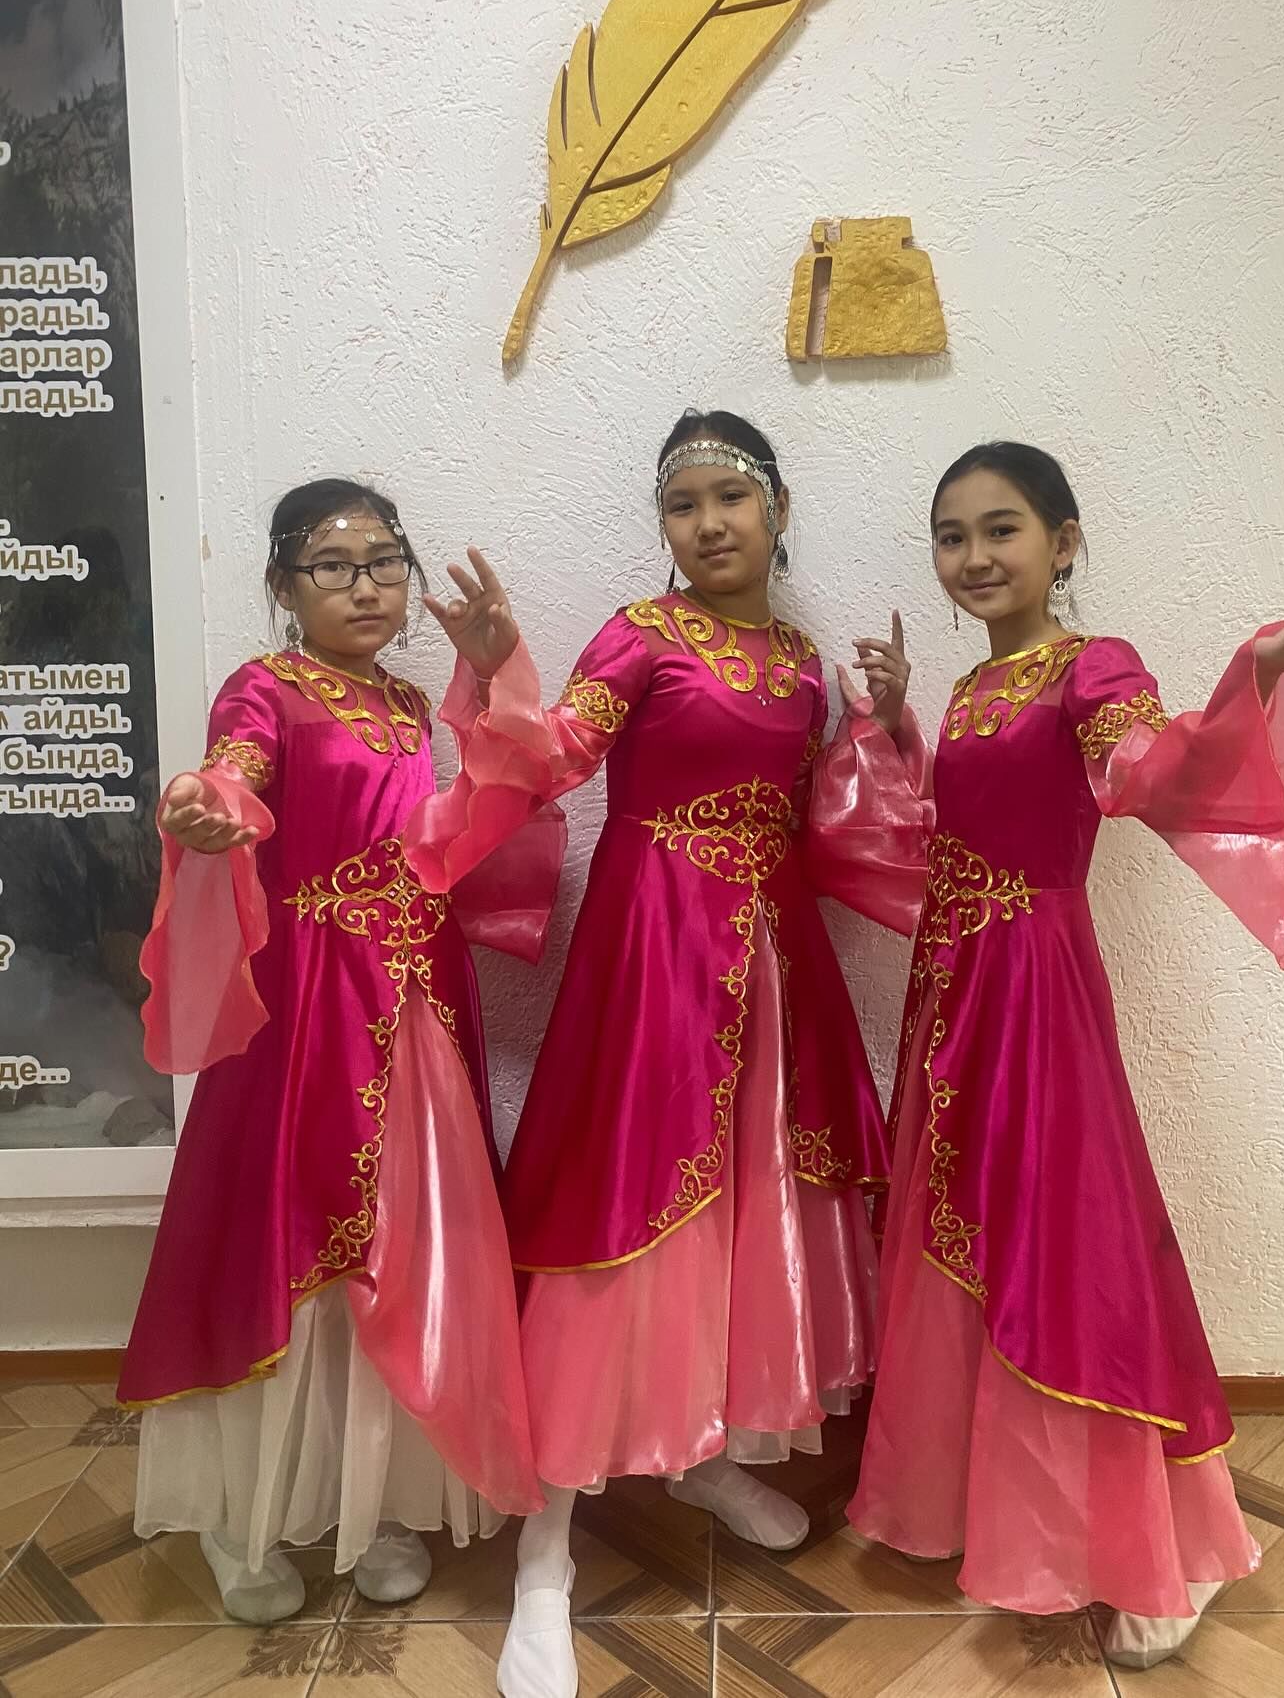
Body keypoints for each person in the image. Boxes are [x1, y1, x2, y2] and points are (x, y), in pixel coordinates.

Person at [411, 411, 928, 1698]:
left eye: (728, 498)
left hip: (774, 969)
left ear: (777, 508)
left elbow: (836, 824)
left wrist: (886, 726)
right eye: (682, 503)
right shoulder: (639, 636)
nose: (706, 523)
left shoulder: (803, 666)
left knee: (750, 1220)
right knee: (619, 1217)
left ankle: (701, 1452)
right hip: (650, 962)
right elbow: (554, 753)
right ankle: (546, 1553)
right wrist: (498, 665)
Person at [847, 440, 1284, 1670]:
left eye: (1003, 528)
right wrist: (904, 721)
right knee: (971, 1231)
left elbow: (1145, 769)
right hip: (954, 988)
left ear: (1064, 541)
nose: (975, 555)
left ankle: (1168, 1544)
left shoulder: (1096, 666)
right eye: (952, 534)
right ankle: (1005, 1507)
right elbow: (957, 820)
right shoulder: (977, 687)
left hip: (1034, 986)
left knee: (1073, 1242)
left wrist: (1253, 676)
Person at [117, 480, 560, 1622]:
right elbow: (237, 769)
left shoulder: (409, 704)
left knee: (410, 1245)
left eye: (383, 563)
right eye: (331, 565)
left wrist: (493, 673)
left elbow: (489, 808)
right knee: (289, 1235)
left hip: (415, 1003)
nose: (364, 586)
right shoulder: (265, 688)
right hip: (309, 1006)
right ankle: (246, 1514)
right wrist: (208, 801)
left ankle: (378, 1501)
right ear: (283, 584)